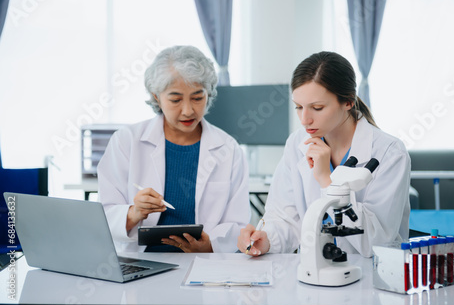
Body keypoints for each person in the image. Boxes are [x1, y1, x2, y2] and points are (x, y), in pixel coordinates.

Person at [237, 51, 410, 257]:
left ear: (348, 102)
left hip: (368, 278)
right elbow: (285, 217)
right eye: (299, 107)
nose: (305, 119)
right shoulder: (297, 144)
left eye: (317, 108)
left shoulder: (390, 153)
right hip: (312, 273)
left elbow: (376, 241)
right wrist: (266, 240)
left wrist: (327, 182)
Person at [98, 45, 250, 253]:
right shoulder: (127, 141)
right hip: (141, 265)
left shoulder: (228, 149)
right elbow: (103, 215)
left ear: (209, 94)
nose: (188, 110)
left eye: (198, 98)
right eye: (175, 99)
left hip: (204, 264)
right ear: (156, 97)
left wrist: (211, 246)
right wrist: (134, 213)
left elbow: (238, 222)